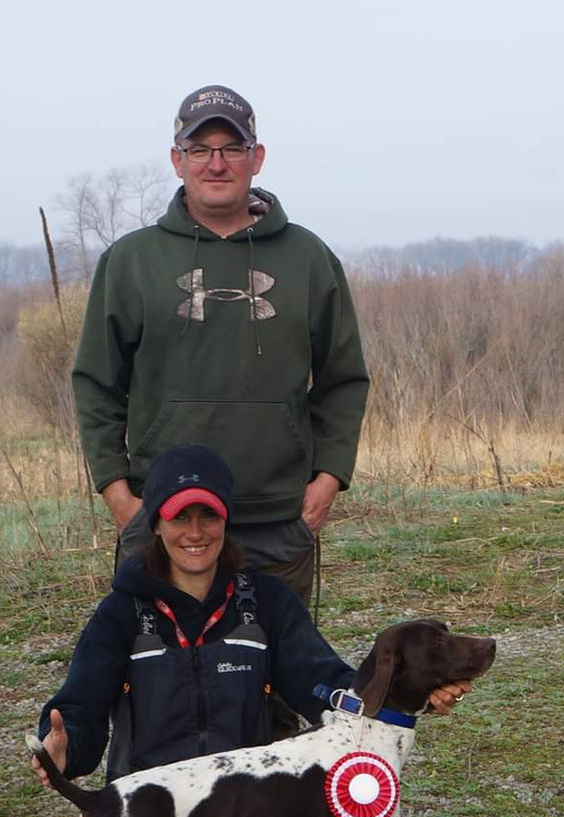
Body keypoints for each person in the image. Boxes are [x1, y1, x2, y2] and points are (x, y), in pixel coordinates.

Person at [32, 445, 469, 817]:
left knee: (331, 804)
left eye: (207, 516)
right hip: (168, 816)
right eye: (179, 517)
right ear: (156, 522)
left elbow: (325, 680)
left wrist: (406, 697)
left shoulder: (264, 602)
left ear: (225, 521)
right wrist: (64, 744)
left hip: (256, 809)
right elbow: (79, 703)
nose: (194, 532)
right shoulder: (120, 615)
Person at [72, 84, 370, 605]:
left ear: (256, 158)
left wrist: (327, 480)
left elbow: (343, 380)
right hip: (165, 517)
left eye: (232, 149)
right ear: (176, 160)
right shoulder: (132, 261)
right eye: (200, 150)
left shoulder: (307, 258)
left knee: (280, 678)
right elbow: (96, 384)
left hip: (278, 520)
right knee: (161, 680)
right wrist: (120, 497)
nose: (216, 164)